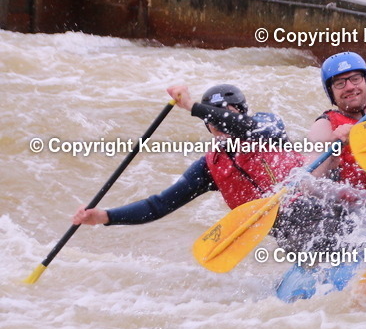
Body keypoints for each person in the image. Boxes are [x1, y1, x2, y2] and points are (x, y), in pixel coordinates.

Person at [72, 83, 306, 227]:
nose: (219, 123)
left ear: (241, 112)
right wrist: (104, 217)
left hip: (317, 205)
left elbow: (243, 126)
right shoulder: (209, 168)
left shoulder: (267, 126)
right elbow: (158, 205)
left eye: (224, 114)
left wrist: (191, 106)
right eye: (212, 119)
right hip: (286, 232)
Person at [308, 52, 366, 189]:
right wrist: (332, 147)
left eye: (356, 79)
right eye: (340, 83)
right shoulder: (324, 125)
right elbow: (308, 184)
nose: (350, 87)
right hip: (356, 203)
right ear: (331, 92)